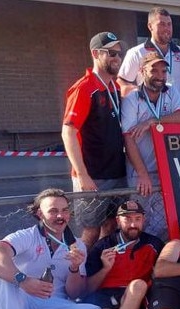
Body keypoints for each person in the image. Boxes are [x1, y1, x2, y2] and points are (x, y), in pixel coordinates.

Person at [62, 31, 127, 249]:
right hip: (93, 176)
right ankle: (79, 275)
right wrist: (82, 174)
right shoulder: (84, 88)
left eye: (119, 53)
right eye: (111, 53)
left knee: (110, 226)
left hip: (117, 173)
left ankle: (100, 270)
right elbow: (68, 131)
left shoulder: (114, 87)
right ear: (96, 53)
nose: (117, 58)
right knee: (91, 231)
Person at [121, 52, 180, 240]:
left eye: (163, 70)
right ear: (142, 71)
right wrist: (142, 174)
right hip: (140, 173)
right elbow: (128, 138)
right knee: (138, 221)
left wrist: (153, 120)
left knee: (162, 224)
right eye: (154, 70)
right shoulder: (131, 99)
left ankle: (157, 259)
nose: (160, 75)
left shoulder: (171, 92)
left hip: (164, 172)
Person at [117, 7, 180, 100]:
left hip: (179, 111)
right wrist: (142, 92)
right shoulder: (136, 53)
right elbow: (122, 83)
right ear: (150, 26)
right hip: (150, 111)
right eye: (162, 24)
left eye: (169, 24)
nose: (167, 28)